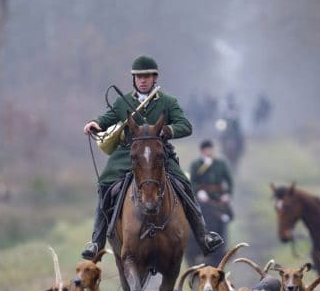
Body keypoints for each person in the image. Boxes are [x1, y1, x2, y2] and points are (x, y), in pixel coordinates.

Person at [81, 55, 224, 260]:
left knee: (184, 183)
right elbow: (107, 118)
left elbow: (186, 125)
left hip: (159, 154)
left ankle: (204, 236)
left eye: (147, 76)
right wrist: (94, 123)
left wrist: (168, 130)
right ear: (134, 79)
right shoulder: (123, 102)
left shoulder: (168, 101)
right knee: (105, 183)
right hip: (129, 154)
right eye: (138, 77)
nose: (142, 80)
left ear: (154, 78)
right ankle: (96, 241)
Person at [190, 139, 234, 217]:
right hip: (203, 196)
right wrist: (198, 192)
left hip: (219, 195)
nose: (209, 153)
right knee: (195, 215)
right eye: (206, 151)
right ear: (202, 151)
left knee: (227, 216)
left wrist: (227, 194)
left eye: (210, 150)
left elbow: (229, 180)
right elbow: (192, 181)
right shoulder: (196, 164)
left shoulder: (221, 163)